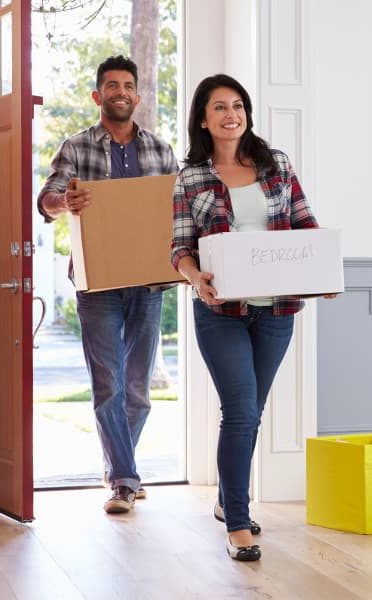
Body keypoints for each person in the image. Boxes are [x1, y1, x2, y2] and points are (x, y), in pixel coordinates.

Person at [171, 74, 335, 562]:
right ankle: (238, 523)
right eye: (219, 107)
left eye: (238, 105)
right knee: (240, 412)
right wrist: (195, 277)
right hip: (221, 310)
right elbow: (180, 246)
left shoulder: (276, 165)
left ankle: (227, 498)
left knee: (251, 413)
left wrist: (321, 273)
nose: (231, 114)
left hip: (277, 309)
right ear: (204, 119)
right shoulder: (192, 177)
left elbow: (306, 225)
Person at [37, 55, 179, 514]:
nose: (120, 92)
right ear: (98, 96)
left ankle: (120, 465)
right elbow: (46, 199)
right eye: (111, 86)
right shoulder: (76, 147)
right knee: (108, 384)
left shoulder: (160, 150)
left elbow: (175, 212)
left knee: (137, 390)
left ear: (137, 95)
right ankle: (123, 480)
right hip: (97, 281)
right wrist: (66, 201)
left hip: (149, 281)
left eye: (128, 86)